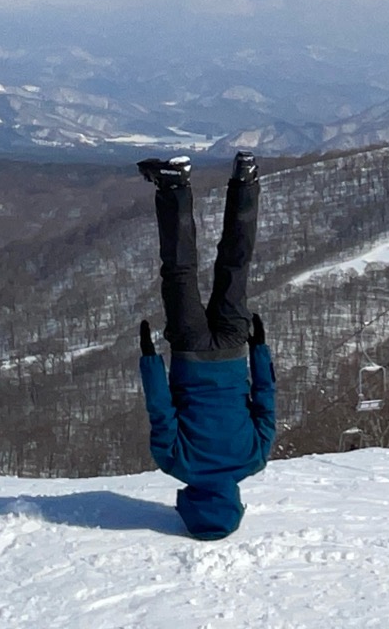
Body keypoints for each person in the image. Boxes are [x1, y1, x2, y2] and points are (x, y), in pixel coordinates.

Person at [137, 152, 275, 540]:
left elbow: (265, 399)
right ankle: (173, 184)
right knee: (179, 270)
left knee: (236, 265)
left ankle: (246, 181)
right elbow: (160, 409)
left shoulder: (254, 460)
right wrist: (150, 360)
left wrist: (260, 350)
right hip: (189, 351)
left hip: (234, 350)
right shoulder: (175, 463)